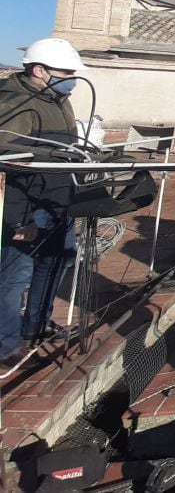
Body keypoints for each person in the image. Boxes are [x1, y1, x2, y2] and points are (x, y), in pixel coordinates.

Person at [0, 38, 85, 368]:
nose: (73, 78)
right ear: (39, 70)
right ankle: (6, 344)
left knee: (57, 262)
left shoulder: (58, 99)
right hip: (26, 205)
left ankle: (35, 326)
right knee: (13, 275)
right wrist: (19, 220)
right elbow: (10, 161)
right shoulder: (17, 103)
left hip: (57, 199)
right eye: (66, 71)